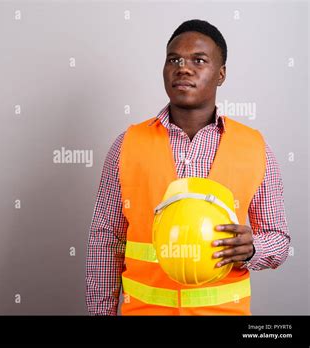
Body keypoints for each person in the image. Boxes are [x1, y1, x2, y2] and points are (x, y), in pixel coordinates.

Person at [86, 19, 290, 315]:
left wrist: (254, 248)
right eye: (174, 60)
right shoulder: (127, 144)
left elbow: (279, 240)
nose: (183, 67)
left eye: (199, 60)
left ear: (220, 74)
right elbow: (105, 241)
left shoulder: (255, 147)